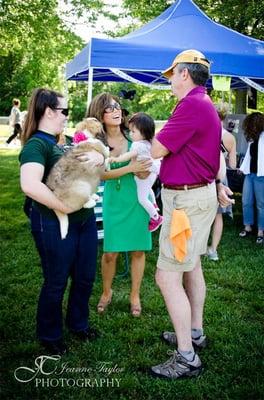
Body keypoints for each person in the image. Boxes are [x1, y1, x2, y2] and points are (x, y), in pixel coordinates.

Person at [149, 49, 234, 379]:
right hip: (195, 197)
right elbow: (210, 151)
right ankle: (195, 333)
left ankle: (187, 357)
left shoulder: (192, 105)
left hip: (186, 202)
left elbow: (157, 149)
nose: (170, 82)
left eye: (173, 76)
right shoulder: (204, 103)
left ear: (185, 74)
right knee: (192, 265)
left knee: (166, 275)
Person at [19, 88, 103, 355]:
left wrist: (100, 156)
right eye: (64, 111)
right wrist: (63, 207)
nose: (68, 116)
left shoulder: (63, 140)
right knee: (56, 281)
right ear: (48, 111)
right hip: (53, 222)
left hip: (85, 221)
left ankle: (78, 325)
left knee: (85, 277)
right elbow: (30, 185)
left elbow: (94, 157)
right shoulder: (37, 144)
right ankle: (50, 335)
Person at [87, 93, 152, 317]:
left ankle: (135, 295)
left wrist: (141, 170)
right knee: (110, 253)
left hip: (137, 198)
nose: (116, 111)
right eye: (109, 108)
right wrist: (129, 169)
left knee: (138, 249)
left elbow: (145, 169)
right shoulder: (96, 143)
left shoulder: (136, 139)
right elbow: (102, 175)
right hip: (113, 200)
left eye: (118, 107)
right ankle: (106, 292)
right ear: (99, 114)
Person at [109, 112, 163, 232]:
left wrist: (116, 159)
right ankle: (154, 203)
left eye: (133, 132)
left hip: (144, 172)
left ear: (143, 133)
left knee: (142, 199)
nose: (130, 134)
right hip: (153, 172)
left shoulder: (137, 145)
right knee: (148, 189)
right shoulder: (149, 142)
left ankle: (155, 217)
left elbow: (129, 155)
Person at [207, 103, 237, 261]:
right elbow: (233, 165)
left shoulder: (205, 131)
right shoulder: (230, 137)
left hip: (204, 174)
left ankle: (197, 247)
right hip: (221, 175)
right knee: (218, 216)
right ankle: (213, 250)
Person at [239, 112, 264, 244]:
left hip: (261, 175)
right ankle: (247, 226)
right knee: (246, 201)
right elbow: (249, 156)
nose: (252, 127)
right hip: (249, 174)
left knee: (261, 204)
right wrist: (242, 168)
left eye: (254, 125)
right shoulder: (252, 138)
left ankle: (261, 231)